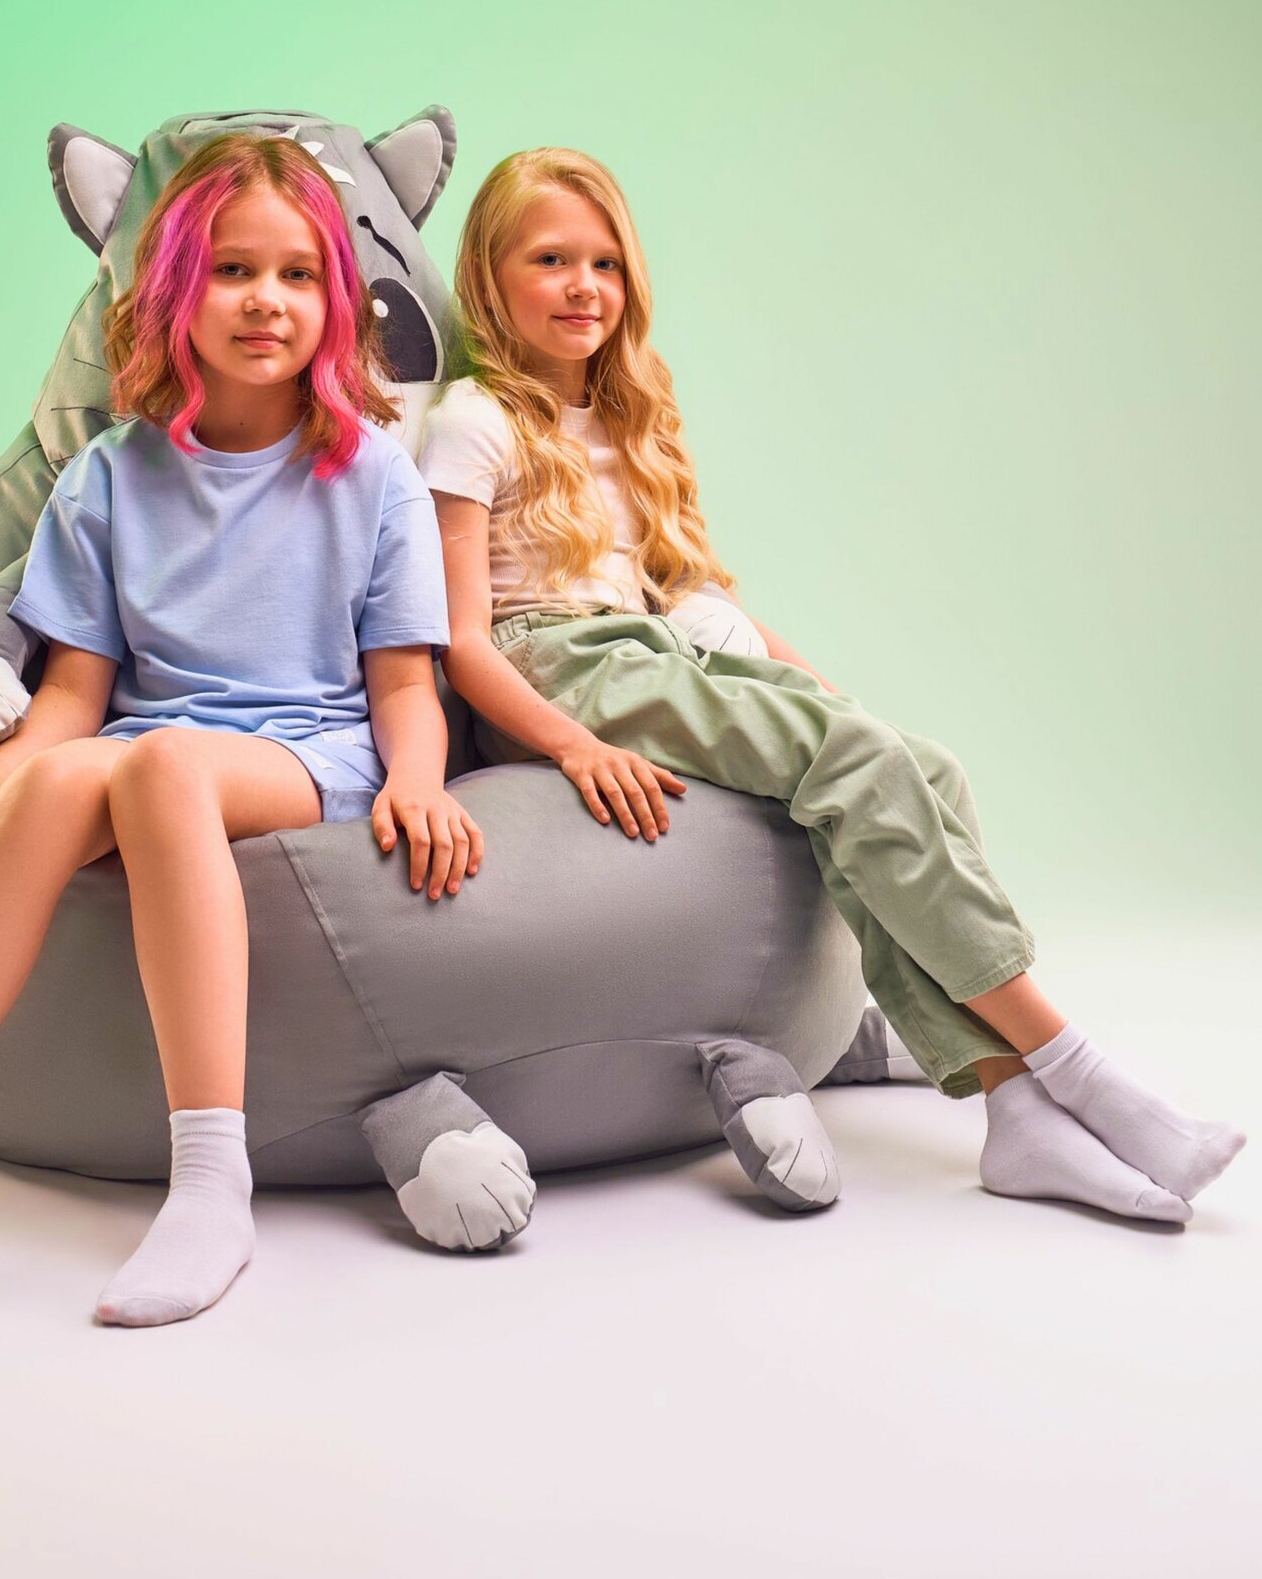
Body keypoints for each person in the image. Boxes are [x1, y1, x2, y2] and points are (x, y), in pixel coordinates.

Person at [418, 145, 1245, 1225]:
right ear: (490, 277)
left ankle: (1015, 1110)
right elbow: (461, 642)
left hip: (652, 651)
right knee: (855, 761)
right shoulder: (474, 420)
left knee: (917, 765)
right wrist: (571, 743)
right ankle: (1076, 1068)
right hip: (559, 662)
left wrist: (832, 700)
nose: (584, 287)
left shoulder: (628, 413)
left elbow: (690, 589)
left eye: (605, 263)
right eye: (550, 260)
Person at [0, 133, 490, 1328]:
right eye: (230, 270)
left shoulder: (377, 477)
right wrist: (5, 771)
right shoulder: (109, 478)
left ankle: (212, 1184)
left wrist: (418, 780)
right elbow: (74, 689)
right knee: (66, 778)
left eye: (296, 275)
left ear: (335, 298)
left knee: (154, 762)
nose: (265, 300)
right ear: (173, 292)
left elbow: (406, 687)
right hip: (150, 742)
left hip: (306, 751)